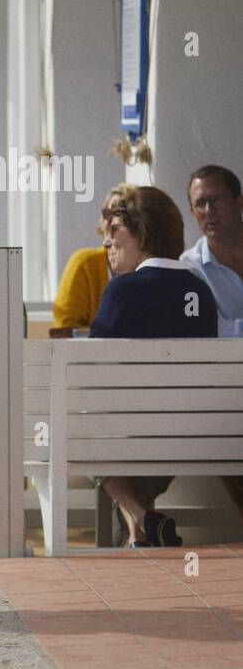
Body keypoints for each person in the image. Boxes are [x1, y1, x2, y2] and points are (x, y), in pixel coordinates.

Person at [89, 186, 219, 546]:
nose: (106, 242)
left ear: (140, 232)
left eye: (114, 230)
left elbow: (88, 373)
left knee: (71, 424)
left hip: (130, 438)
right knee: (127, 462)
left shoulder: (123, 291)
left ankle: (139, 516)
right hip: (190, 439)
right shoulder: (200, 292)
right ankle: (141, 528)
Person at [54, 183, 137, 331]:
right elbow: (65, 330)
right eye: (108, 213)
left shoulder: (147, 267)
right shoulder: (84, 263)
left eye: (121, 215)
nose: (113, 220)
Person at [180, 164, 243, 338]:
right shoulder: (187, 269)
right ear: (192, 212)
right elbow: (197, 327)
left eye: (216, 200)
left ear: (239, 201)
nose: (209, 211)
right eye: (200, 203)